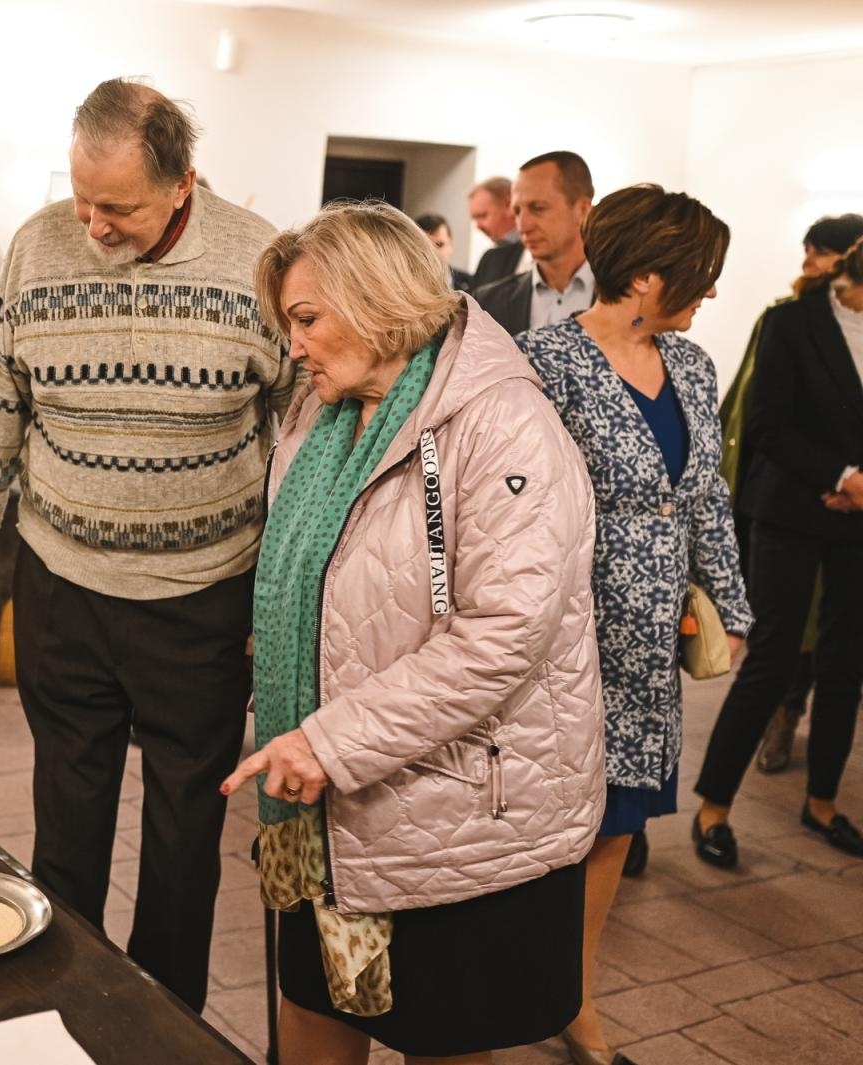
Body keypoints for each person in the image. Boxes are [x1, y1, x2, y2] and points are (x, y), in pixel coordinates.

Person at [222, 200, 602, 1065]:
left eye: (307, 319)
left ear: (379, 299)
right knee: (311, 1013)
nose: (294, 346)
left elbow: (504, 634)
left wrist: (329, 738)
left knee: (444, 1036)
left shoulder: (505, 423)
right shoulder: (321, 413)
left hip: (455, 812)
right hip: (330, 810)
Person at [0, 78, 295, 1011]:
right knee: (67, 817)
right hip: (61, 581)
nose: (92, 226)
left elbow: (299, 437)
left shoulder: (259, 260)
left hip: (204, 594)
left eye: (119, 208)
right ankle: (62, 1001)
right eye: (82, 198)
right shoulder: (37, 244)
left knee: (186, 835)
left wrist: (285, 604)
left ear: (185, 182)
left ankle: (159, 1022)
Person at [517, 185, 751, 1064]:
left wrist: (730, 605)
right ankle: (510, 982)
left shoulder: (692, 367)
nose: (714, 293)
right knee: (547, 824)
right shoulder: (543, 361)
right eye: (703, 276)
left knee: (617, 824)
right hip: (564, 635)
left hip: (654, 642)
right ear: (648, 278)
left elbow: (706, 496)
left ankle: (574, 997)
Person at [694, 235, 863, 866]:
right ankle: (713, 808)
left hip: (859, 520)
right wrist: (843, 478)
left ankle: (822, 801)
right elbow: (765, 425)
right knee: (771, 657)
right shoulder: (793, 322)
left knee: (845, 665)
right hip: (791, 509)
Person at [473, 152, 595, 336]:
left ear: (582, 210)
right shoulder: (489, 302)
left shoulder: (629, 297)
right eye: (517, 211)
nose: (523, 225)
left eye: (538, 208)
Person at [467, 176, 524, 288]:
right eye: (474, 218)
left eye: (482, 216)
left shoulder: (534, 253)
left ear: (509, 205)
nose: (477, 226)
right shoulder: (490, 259)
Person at [414, 213, 473, 291]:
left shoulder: (471, 283)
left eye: (439, 245)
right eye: (426, 247)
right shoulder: (404, 286)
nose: (434, 253)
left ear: (451, 244)